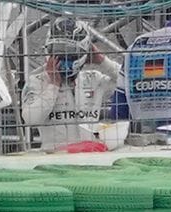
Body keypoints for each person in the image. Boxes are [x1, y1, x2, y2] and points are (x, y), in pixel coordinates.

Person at [21, 17, 121, 152]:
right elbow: (30, 119)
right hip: (54, 157)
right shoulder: (37, 81)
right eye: (57, 52)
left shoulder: (93, 79)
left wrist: (102, 60)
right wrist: (53, 85)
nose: (64, 59)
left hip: (90, 157)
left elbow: (128, 80)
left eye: (70, 53)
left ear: (84, 53)